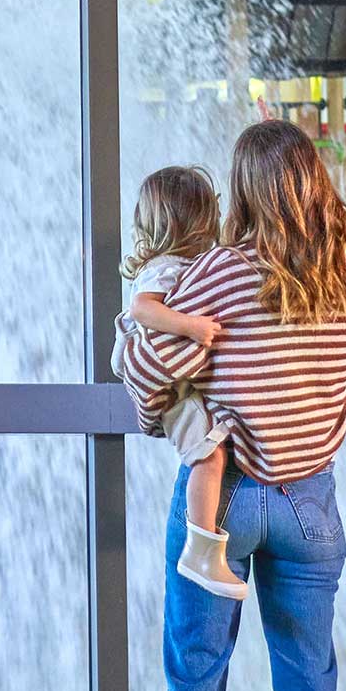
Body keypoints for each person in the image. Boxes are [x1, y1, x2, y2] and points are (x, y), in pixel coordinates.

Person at [123, 119, 346, 691]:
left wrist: (142, 348)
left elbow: (148, 379)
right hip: (311, 499)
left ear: (245, 189)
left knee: (195, 685)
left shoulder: (219, 275)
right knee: (308, 689)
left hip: (224, 496)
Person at [117, 166, 243, 599]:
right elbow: (141, 309)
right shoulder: (165, 267)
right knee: (207, 455)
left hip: (180, 384)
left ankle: (203, 544)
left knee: (212, 450)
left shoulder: (193, 264)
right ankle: (201, 549)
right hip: (173, 393)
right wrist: (190, 326)